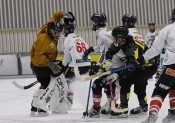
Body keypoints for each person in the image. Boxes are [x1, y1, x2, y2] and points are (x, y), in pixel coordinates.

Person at [105, 26, 158, 118]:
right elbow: (111, 50)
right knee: (133, 83)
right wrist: (108, 60)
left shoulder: (131, 48)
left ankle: (124, 107)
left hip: (148, 67)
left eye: (114, 37)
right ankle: (141, 106)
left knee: (127, 81)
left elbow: (130, 69)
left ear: (120, 38)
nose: (113, 39)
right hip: (138, 65)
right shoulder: (123, 41)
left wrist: (116, 75)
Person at [135, 8, 175, 123]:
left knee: (160, 90)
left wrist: (142, 58)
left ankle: (152, 115)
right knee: (173, 88)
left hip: (172, 66)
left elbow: (155, 49)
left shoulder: (168, 29)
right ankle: (173, 113)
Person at [82, 13, 126, 118]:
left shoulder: (101, 34)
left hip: (116, 65)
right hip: (119, 64)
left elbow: (105, 52)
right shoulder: (106, 31)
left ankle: (96, 109)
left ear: (97, 23)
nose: (92, 24)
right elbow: (108, 47)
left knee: (96, 84)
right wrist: (92, 49)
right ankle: (112, 106)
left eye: (94, 22)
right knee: (107, 85)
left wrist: (97, 66)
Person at [30, 10, 73, 117]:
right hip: (39, 65)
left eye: (60, 32)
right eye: (57, 33)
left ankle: (36, 106)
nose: (59, 35)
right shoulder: (44, 39)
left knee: (47, 83)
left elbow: (54, 17)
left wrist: (62, 14)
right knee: (47, 84)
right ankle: (38, 107)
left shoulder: (49, 26)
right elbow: (39, 57)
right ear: (52, 31)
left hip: (45, 62)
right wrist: (50, 64)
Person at [62, 14, 91, 105]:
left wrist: (63, 65)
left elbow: (67, 57)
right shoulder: (80, 38)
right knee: (72, 81)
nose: (63, 31)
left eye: (64, 30)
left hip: (77, 66)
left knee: (66, 81)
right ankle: (69, 98)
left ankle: (67, 100)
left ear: (67, 30)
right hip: (87, 65)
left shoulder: (68, 40)